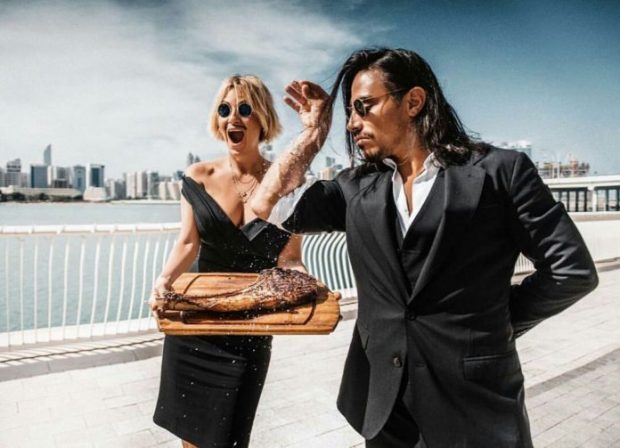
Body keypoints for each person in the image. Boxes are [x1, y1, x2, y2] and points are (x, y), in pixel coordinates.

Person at [251, 48, 599, 447]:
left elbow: (571, 271)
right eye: (349, 112)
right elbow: (267, 206)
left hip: (475, 409)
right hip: (386, 410)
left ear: (413, 101)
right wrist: (313, 134)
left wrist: (498, 323)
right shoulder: (355, 187)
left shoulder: (499, 172)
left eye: (364, 107)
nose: (351, 123)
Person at [151, 74, 304, 448]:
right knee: (191, 439)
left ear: (263, 118)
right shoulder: (197, 176)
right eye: (224, 109)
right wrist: (163, 281)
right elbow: (187, 242)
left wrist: (307, 287)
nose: (232, 117)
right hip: (195, 324)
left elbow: (290, 259)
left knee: (233, 439)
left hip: (250, 329)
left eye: (244, 109)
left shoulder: (287, 183)